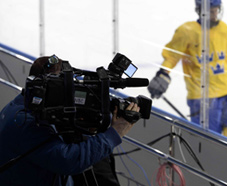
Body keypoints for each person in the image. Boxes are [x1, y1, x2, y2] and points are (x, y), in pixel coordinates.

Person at [0, 55, 139, 185]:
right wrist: (115, 133)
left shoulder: (24, 106)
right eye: (61, 88)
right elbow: (69, 161)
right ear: (43, 88)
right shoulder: (25, 123)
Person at [148, 0, 227, 143]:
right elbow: (172, 56)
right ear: (200, 11)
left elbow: (223, 58)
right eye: (211, 11)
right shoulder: (187, 31)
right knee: (208, 143)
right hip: (203, 96)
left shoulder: (224, 29)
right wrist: (163, 73)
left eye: (216, 11)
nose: (215, 15)